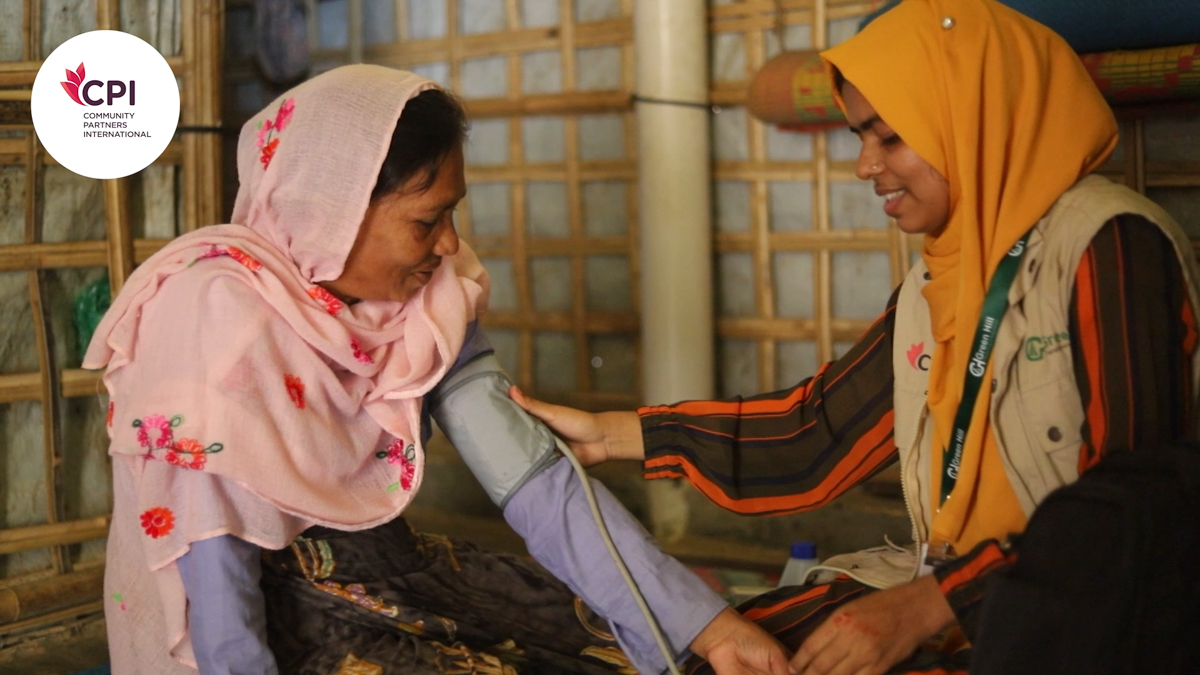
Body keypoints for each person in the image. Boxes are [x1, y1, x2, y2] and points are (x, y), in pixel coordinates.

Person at [511, 0, 1200, 673]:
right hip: (946, 593)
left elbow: (1135, 518)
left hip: (1070, 614)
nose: (865, 167)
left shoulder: (1110, 245)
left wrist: (925, 606)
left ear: (970, 118)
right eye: (859, 138)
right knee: (716, 650)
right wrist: (613, 435)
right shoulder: (942, 277)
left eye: (889, 136)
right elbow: (818, 434)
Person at [84, 65, 793, 675]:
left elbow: (538, 482)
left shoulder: (426, 307)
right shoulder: (213, 320)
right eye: (427, 221)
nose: (450, 244)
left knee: (615, 645)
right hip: (263, 613)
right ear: (333, 213)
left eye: (452, 214)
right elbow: (215, 582)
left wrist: (706, 625)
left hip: (386, 573)